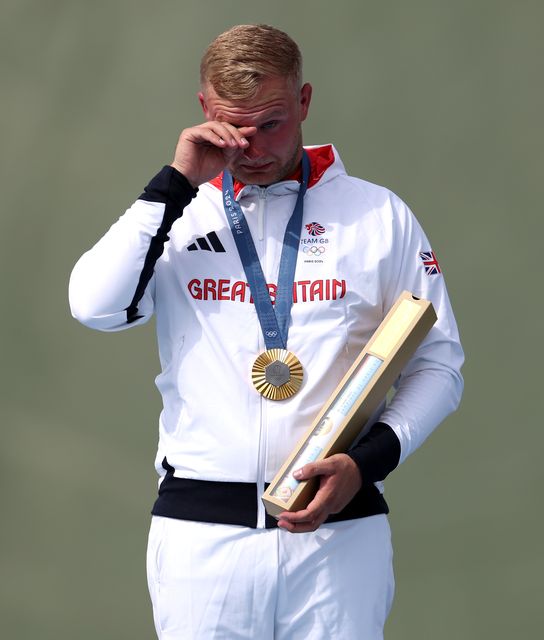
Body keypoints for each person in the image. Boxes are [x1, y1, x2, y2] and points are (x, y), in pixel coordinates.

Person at [69, 24, 463, 640]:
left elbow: (439, 366)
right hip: (202, 541)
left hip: (339, 539)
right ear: (204, 110)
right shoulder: (178, 214)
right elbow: (93, 305)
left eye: (272, 123)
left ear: (304, 102)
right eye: (234, 126)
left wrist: (367, 465)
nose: (251, 145)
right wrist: (174, 183)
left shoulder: (378, 214)